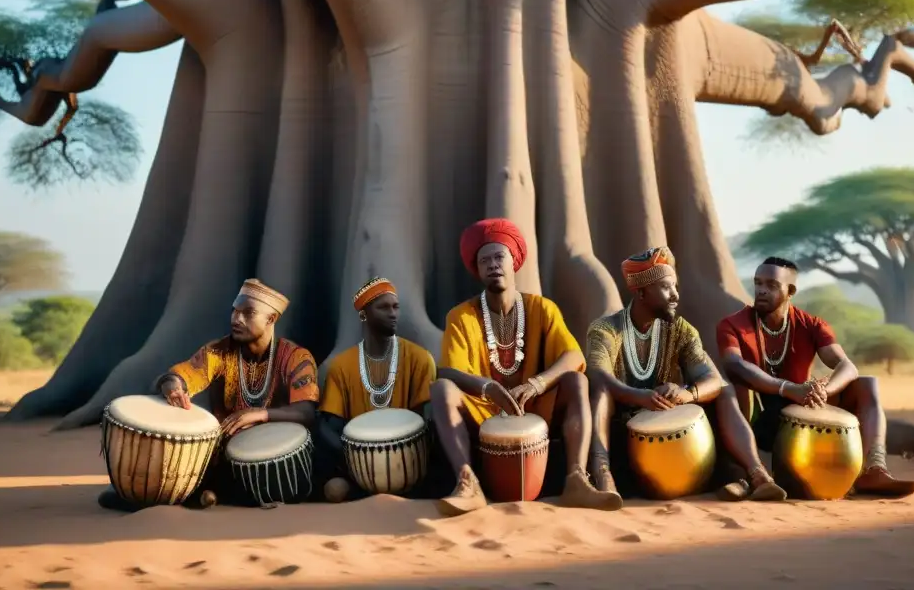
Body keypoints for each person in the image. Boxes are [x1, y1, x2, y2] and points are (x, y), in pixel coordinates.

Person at [430, 218, 623, 516]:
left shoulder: (543, 308)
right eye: (485, 260)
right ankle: (468, 482)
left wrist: (538, 383)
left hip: (534, 406)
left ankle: (576, 479)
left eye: (499, 257)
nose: (493, 265)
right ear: (477, 270)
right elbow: (448, 372)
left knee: (576, 381)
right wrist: (488, 387)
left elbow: (572, 355)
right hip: (482, 410)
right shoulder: (460, 316)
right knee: (442, 389)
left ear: (513, 261)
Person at [97, 279, 319, 511]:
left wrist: (259, 414)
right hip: (223, 453)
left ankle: (214, 495)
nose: (236, 319)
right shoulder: (219, 352)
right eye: (235, 310)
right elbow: (179, 375)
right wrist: (173, 386)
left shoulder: (296, 358)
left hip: (277, 454)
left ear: (271, 319)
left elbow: (305, 412)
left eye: (248, 313)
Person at [587, 247, 787, 502]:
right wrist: (640, 397)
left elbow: (713, 379)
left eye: (675, 287)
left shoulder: (681, 330)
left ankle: (757, 474)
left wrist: (686, 394)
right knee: (600, 392)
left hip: (674, 436)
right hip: (622, 437)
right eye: (666, 288)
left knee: (724, 391)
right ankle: (602, 474)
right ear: (641, 292)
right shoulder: (606, 329)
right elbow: (598, 376)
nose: (675, 295)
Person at [717, 257, 914, 498]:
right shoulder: (732, 325)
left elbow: (847, 366)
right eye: (758, 283)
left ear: (790, 291)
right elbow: (734, 365)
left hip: (802, 407)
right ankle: (754, 474)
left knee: (867, 384)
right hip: (757, 411)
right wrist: (788, 388)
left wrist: (826, 390)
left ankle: (874, 469)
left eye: (771, 285)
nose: (761, 290)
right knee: (735, 387)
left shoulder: (811, 325)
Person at [315, 277, 437, 502]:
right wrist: (361, 457)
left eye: (396, 307)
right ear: (364, 314)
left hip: (410, 464)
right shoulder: (341, 366)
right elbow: (329, 426)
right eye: (383, 307)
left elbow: (428, 419)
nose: (393, 313)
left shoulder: (420, 359)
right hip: (359, 468)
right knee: (334, 490)